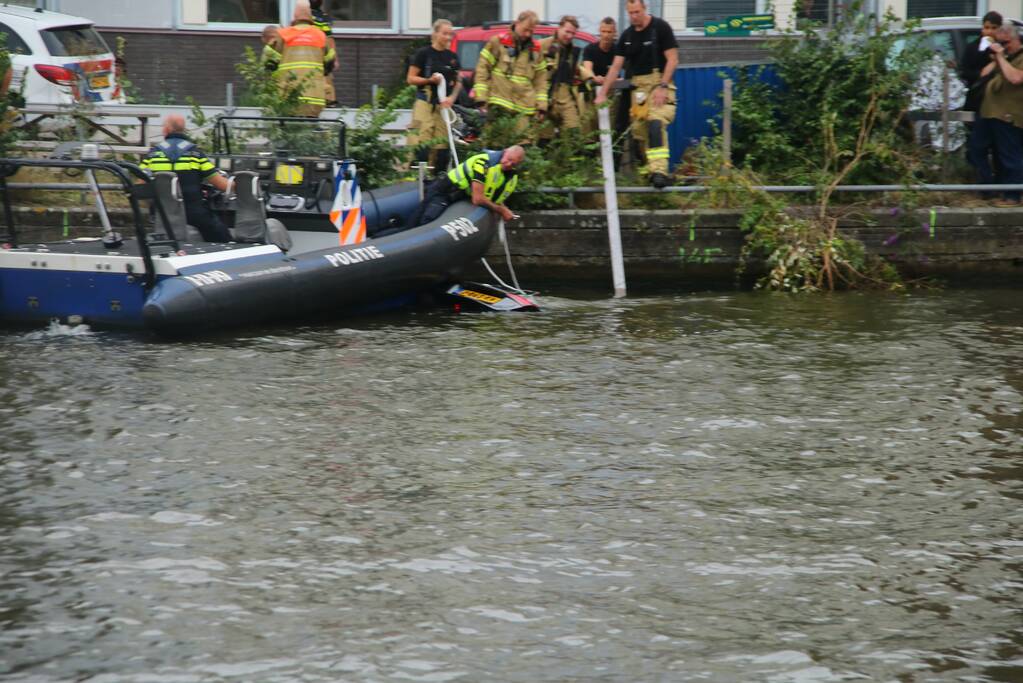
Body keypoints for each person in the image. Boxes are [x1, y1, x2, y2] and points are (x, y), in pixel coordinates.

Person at [595, 0, 678, 188]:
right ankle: (649, 172)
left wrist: (663, 86)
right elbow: (616, 67)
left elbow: (673, 59)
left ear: (644, 8)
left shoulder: (660, 28)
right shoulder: (627, 36)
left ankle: (659, 172)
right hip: (639, 90)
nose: (634, 16)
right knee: (640, 134)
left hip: (659, 85)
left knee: (655, 124)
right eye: (630, 13)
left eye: (637, 12)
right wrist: (603, 93)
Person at [140, 114, 232, 242]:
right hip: (193, 214)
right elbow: (223, 185)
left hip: (161, 214)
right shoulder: (195, 154)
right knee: (222, 234)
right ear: (183, 130)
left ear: (165, 130)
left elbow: (140, 187)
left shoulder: (152, 155)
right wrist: (238, 183)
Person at [968, 22, 1023, 206]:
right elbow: (984, 74)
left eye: (1006, 43)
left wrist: (1001, 57)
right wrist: (996, 58)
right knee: (976, 148)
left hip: (1009, 115)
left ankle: (1013, 196)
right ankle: (989, 187)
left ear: (1015, 39)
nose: (1004, 46)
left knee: (1010, 155)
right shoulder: (1003, 57)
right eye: (1001, 43)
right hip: (989, 113)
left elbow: (1015, 78)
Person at [474, 11, 549, 144]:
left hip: (524, 109)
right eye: (525, 30)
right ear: (517, 23)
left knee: (522, 148)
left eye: (531, 31)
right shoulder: (498, 42)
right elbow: (482, 69)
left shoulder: (536, 50)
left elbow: (541, 81)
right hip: (498, 103)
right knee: (495, 146)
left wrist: (542, 106)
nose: (528, 34)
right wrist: (481, 97)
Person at [411, 146, 525, 227]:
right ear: (504, 152)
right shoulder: (484, 163)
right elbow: (478, 199)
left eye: (513, 164)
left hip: (458, 197)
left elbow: (493, 194)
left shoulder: (504, 174)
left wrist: (502, 207)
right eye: (509, 159)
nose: (508, 164)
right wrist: (501, 210)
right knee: (424, 223)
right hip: (443, 192)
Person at [406, 19, 462, 174]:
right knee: (421, 143)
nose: (448, 37)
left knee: (442, 148)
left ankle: (438, 179)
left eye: (450, 34)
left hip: (443, 106)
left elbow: (458, 82)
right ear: (435, 33)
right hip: (425, 103)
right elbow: (410, 78)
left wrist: (451, 99)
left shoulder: (452, 57)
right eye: (444, 33)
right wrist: (429, 80)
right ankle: (418, 179)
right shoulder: (424, 54)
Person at [265, 1, 336, 117]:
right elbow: (330, 63)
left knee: (288, 131)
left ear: (295, 16)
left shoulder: (283, 34)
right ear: (310, 16)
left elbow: (268, 61)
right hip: (315, 99)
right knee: (310, 132)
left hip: (288, 97)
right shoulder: (320, 36)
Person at [582, 17, 629, 165]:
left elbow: (626, 71)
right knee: (591, 129)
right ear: (599, 32)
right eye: (603, 31)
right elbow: (587, 70)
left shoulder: (618, 50)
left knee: (611, 129)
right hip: (592, 96)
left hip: (612, 96)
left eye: (609, 32)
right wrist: (595, 77)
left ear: (614, 33)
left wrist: (617, 80)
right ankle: (590, 163)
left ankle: (609, 164)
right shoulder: (590, 49)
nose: (606, 35)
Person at [538, 16, 593, 142]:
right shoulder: (543, 46)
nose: (569, 36)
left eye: (573, 33)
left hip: (565, 97)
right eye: (567, 32)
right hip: (546, 97)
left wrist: (589, 77)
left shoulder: (571, 51)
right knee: (544, 139)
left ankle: (568, 161)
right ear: (559, 28)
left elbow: (574, 69)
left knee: (573, 132)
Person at [961, 11, 1003, 113]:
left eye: (994, 28)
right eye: (987, 28)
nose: (989, 32)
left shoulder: (1005, 46)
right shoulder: (972, 47)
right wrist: (980, 74)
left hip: (1000, 100)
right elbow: (964, 72)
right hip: (978, 100)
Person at [309, 0, 339, 107]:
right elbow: (329, 39)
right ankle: (329, 102)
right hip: (320, 55)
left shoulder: (303, 16)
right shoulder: (323, 17)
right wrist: (334, 59)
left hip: (309, 56)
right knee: (326, 77)